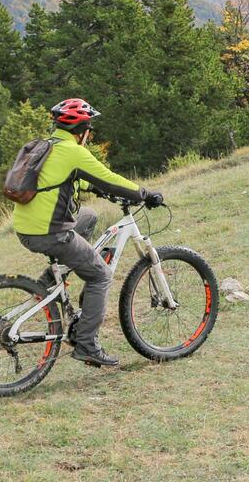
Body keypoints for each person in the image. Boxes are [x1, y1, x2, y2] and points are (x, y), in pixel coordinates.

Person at [12, 98, 163, 367]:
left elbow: (65, 177)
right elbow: (110, 179)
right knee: (100, 276)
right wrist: (144, 194)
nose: (89, 134)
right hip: (49, 233)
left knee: (89, 216)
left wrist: (93, 188)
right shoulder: (74, 152)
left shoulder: (48, 146)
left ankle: (53, 277)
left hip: (26, 227)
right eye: (89, 129)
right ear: (82, 130)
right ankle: (86, 345)